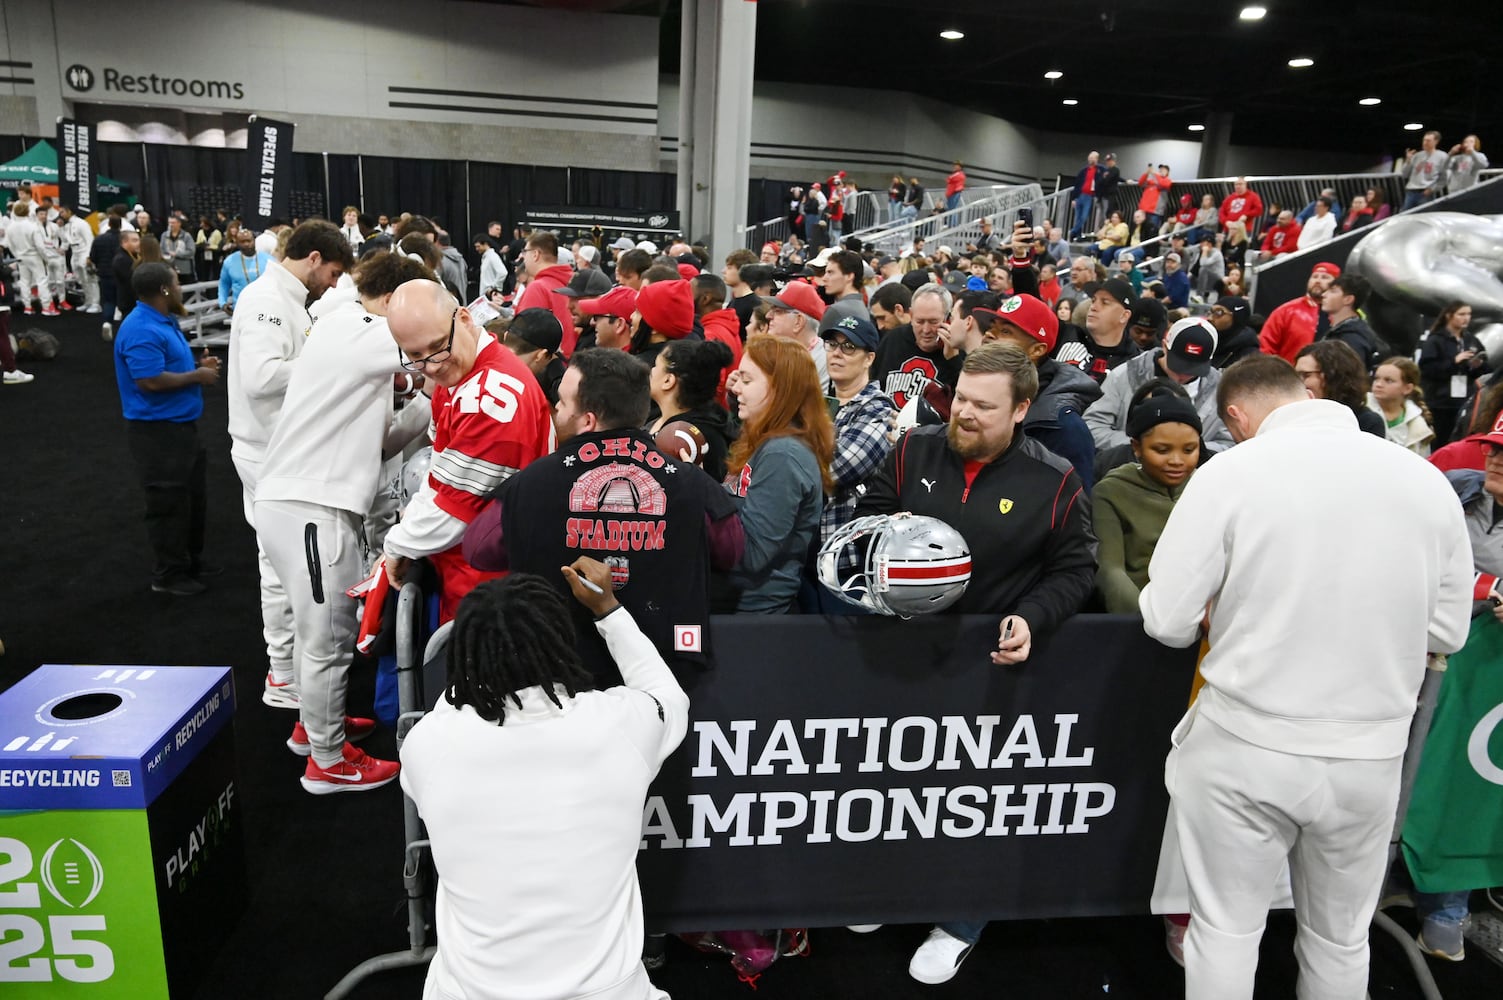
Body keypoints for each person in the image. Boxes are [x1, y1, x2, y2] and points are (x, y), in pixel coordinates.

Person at [1139, 354, 1471, 1000]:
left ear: (1235, 415)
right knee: (1339, 940)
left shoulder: (1231, 472)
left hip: (1244, 744)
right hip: (1366, 753)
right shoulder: (1423, 480)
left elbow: (1166, 619)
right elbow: (1446, 632)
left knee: (1225, 931)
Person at [855, 342, 1096, 983]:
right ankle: (886, 893)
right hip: (903, 654)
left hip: (990, 667)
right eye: (960, 397)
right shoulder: (912, 449)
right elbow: (868, 520)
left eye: (983, 407)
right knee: (894, 792)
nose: (963, 413)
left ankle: (960, 922)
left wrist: (1035, 616)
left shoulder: (1056, 479)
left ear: (1021, 410)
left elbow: (1075, 569)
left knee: (974, 804)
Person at [399, 560, 687, 1000]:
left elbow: (451, 714)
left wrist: (474, 674)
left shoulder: (427, 744)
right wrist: (608, 610)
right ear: (560, 644)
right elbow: (669, 698)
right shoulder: (620, 723)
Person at [253, 250, 432, 791]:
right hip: (311, 508)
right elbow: (436, 347)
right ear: (396, 302)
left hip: (303, 501)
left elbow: (376, 445)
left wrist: (419, 407)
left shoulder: (342, 332)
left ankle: (315, 729)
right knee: (328, 639)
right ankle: (327, 762)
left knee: (322, 634)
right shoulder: (359, 328)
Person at [462, 349, 742, 686]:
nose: (555, 410)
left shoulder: (534, 482)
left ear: (588, 420)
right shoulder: (691, 482)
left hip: (559, 669)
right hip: (662, 671)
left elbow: (477, 548)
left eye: (563, 403)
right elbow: (732, 550)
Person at [228, 220, 354, 707]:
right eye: (334, 271)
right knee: (285, 567)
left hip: (275, 446)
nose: (335, 284)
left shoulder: (285, 300)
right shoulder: (266, 300)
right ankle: (284, 673)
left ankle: (284, 671)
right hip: (266, 450)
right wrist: (332, 363)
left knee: (278, 565)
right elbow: (261, 378)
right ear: (315, 258)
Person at [382, 280, 557, 621]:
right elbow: (439, 477)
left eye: (437, 347)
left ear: (463, 318)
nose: (431, 366)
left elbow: (454, 513)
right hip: (476, 574)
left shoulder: (489, 397)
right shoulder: (462, 375)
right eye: (415, 355)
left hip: (493, 589)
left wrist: (398, 543)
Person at [112, 262, 221, 595]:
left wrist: (196, 367)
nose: (179, 287)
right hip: (157, 434)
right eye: (175, 283)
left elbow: (163, 368)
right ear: (163, 289)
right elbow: (148, 380)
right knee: (167, 503)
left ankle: (188, 562)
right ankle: (168, 575)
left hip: (179, 428)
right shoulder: (141, 328)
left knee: (190, 499)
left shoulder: (161, 321)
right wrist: (197, 377)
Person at [723, 335, 833, 614]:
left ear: (780, 390)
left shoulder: (783, 454)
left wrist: (699, 498)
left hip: (754, 617)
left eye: (747, 381)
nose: (737, 390)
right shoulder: (766, 441)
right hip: (738, 604)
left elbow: (752, 553)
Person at [1093, 393, 1201, 613]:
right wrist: (1148, 623)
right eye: (1162, 450)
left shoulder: (1210, 486)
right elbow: (1110, 571)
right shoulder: (1111, 492)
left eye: (1189, 450)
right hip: (1140, 619)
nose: (1177, 461)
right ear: (1136, 447)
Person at [1085, 317, 1235, 455]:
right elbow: (1092, 426)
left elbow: (1232, 443)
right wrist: (1141, 447)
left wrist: (1193, 450)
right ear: (1164, 346)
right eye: (1178, 364)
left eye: (1193, 369)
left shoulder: (1222, 390)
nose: (1182, 374)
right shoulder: (1124, 376)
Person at [819, 314, 897, 548]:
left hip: (844, 552)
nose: (837, 353)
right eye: (832, 344)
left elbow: (836, 468)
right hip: (808, 546)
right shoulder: (820, 402)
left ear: (869, 358)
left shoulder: (879, 410)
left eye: (849, 347)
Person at [647, 338, 737, 483]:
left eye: (656, 365)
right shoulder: (658, 414)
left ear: (668, 381)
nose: (651, 370)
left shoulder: (692, 437)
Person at [1417, 302, 1486, 444]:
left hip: (1464, 400)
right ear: (1449, 315)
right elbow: (1427, 369)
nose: (1466, 318)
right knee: (1440, 440)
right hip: (1440, 402)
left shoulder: (1470, 339)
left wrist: (1476, 365)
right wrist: (1454, 362)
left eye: (1468, 314)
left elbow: (1485, 367)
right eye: (1461, 314)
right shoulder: (1436, 339)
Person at [1053, 276, 1142, 383]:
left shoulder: (1135, 364)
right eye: (1093, 300)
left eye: (1105, 302)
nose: (1093, 307)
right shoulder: (1067, 334)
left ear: (1124, 315)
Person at [1295, 340, 1387, 438]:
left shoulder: (1366, 422)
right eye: (1295, 375)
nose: (1297, 383)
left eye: (1306, 375)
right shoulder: (1295, 417)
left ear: (1332, 376)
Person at [1258, 261, 1340, 362]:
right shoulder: (1286, 311)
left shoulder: (1342, 313)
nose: (1318, 281)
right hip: (1291, 374)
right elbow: (1265, 347)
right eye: (1314, 276)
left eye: (1324, 277)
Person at [514, 231, 579, 355]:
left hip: (545, 366)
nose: (523, 257)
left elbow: (523, 338)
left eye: (525, 252)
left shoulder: (537, 288)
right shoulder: (574, 284)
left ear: (535, 254)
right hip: (569, 363)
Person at [1368, 357, 1436, 456]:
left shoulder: (1418, 425)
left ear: (1407, 388)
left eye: (1388, 380)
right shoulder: (1359, 409)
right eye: (1376, 378)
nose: (1378, 384)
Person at [217, 228, 271, 315]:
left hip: (265, 310)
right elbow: (224, 284)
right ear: (237, 243)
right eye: (242, 242)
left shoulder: (269, 260)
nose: (246, 244)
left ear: (254, 241)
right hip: (240, 311)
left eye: (249, 241)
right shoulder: (229, 261)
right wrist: (222, 303)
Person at [1402, 130, 1450, 210]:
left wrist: (1432, 189)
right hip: (1411, 190)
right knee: (1405, 216)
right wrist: (1408, 161)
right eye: (1424, 140)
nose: (1425, 143)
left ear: (1436, 141)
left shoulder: (1442, 156)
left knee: (1424, 215)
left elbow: (1444, 178)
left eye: (1428, 141)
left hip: (1426, 192)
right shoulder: (1417, 156)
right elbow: (1404, 174)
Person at [1206, 297, 1259, 369]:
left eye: (1219, 313)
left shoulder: (1249, 357)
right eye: (1211, 312)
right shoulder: (1206, 342)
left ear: (1237, 318)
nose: (1210, 318)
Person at [112, 229, 143, 320]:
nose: (139, 243)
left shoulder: (133, 256)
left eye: (138, 240)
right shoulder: (122, 260)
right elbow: (131, 281)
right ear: (124, 242)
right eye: (134, 240)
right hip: (129, 303)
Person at [162, 216, 196, 283]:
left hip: (184, 269)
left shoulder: (186, 236)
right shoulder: (164, 235)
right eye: (169, 223)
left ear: (179, 223)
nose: (171, 225)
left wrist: (177, 254)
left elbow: (191, 251)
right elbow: (162, 249)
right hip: (169, 268)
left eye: (173, 223)